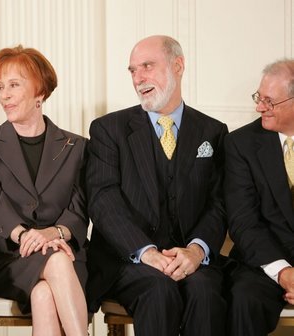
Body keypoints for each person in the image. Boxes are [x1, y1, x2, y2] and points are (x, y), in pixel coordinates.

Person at [85, 35, 228, 336]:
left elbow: (219, 203)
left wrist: (196, 251)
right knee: (159, 290)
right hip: (127, 260)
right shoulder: (108, 130)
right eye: (133, 70)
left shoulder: (213, 132)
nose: (139, 78)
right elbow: (103, 201)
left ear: (178, 65)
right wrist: (147, 252)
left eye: (147, 66)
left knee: (205, 291)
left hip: (189, 259)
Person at [0, 45, 89, 336]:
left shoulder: (77, 147)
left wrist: (55, 234)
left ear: (40, 91)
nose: (4, 95)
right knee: (56, 261)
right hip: (9, 257)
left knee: (44, 295)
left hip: (68, 254)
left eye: (14, 85)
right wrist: (26, 236)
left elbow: (80, 206)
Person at [224, 59, 294, 335]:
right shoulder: (240, 144)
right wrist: (284, 273)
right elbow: (243, 222)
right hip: (264, 261)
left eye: (269, 101)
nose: (259, 107)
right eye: (258, 97)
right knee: (243, 298)